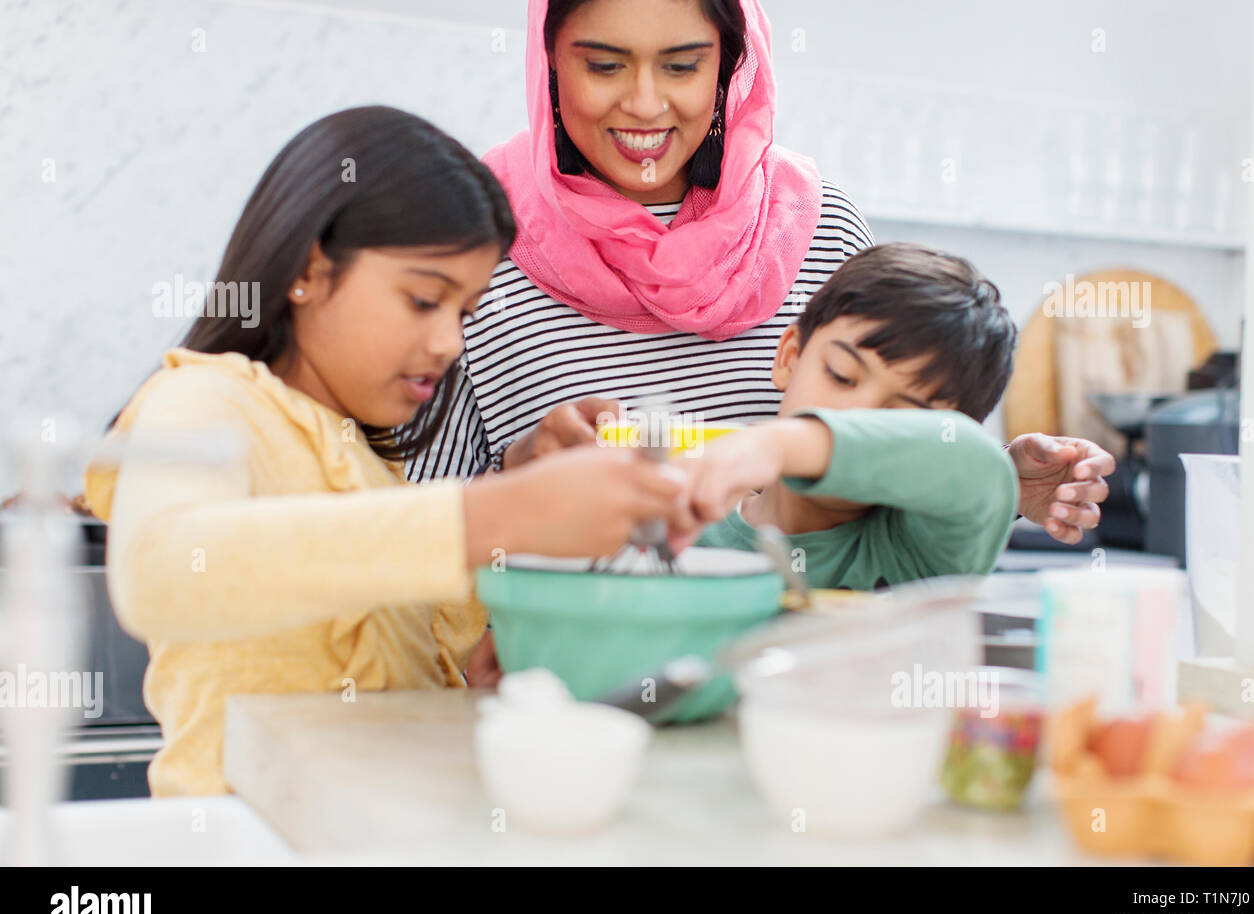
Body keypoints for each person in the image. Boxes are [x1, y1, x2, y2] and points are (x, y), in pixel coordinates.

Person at [83, 107, 689, 796]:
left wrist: (521, 486)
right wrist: (495, 512)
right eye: (424, 299)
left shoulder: (373, 468)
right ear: (310, 268)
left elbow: (416, 648)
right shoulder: (205, 401)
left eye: (464, 311)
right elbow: (161, 573)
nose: (450, 343)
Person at [414, 0, 1113, 548]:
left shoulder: (818, 227)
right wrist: (522, 469)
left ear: (730, 65)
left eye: (683, 67)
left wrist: (994, 482)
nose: (647, 104)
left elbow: (889, 465)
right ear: (549, 63)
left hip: (794, 679)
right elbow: (409, 518)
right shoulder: (473, 245)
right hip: (567, 686)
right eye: (605, 66)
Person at [681, 242, 1020, 588]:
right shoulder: (683, 527)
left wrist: (776, 446)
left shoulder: (921, 557)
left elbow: (978, 462)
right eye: (842, 376)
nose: (852, 415)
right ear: (790, 356)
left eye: (898, 419)